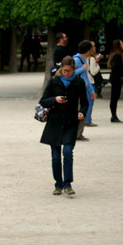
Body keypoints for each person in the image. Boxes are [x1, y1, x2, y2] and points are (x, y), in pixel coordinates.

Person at [39, 56, 88, 196]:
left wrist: (82, 112)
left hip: (71, 122)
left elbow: (85, 102)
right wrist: (55, 99)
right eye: (64, 70)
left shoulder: (79, 82)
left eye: (69, 71)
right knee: (55, 157)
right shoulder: (54, 82)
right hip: (54, 122)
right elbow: (43, 101)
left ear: (73, 69)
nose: (66, 73)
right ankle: (58, 184)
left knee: (67, 152)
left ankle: (67, 183)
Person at [72, 40, 96, 141]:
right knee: (78, 111)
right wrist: (82, 68)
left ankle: (79, 133)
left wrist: (91, 91)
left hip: (84, 89)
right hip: (77, 90)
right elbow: (72, 73)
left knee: (83, 110)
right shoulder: (77, 60)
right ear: (87, 50)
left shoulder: (84, 59)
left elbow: (86, 77)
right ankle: (76, 133)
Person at [108, 39, 123, 123]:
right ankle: (113, 116)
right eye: (122, 43)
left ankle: (114, 115)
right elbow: (116, 68)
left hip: (116, 78)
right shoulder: (118, 55)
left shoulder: (118, 54)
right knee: (114, 97)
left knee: (115, 97)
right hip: (116, 79)